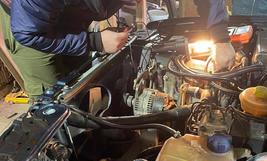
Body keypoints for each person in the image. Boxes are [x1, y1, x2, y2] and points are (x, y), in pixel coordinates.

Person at [0, 0, 235, 99]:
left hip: (71, 13)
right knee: (54, 100)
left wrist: (220, 37)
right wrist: (94, 42)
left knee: (80, 84)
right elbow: (28, 32)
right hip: (30, 28)